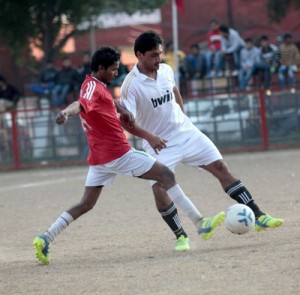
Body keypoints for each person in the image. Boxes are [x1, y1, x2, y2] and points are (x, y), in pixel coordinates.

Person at [33, 46, 205, 265]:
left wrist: (121, 109)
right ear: (101, 68)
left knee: (86, 204)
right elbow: (81, 104)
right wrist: (66, 113)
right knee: (165, 175)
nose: (116, 73)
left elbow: (102, 99)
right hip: (118, 154)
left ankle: (46, 237)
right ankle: (199, 223)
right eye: (113, 69)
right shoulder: (91, 89)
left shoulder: (96, 84)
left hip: (99, 159)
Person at [120, 31, 284, 239]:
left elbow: (174, 90)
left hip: (186, 133)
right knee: (160, 188)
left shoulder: (166, 70)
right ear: (139, 55)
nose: (158, 59)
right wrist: (150, 137)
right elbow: (126, 122)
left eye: (160, 54)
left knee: (220, 167)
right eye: (153, 55)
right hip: (158, 144)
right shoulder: (130, 85)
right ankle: (181, 236)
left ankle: (259, 216)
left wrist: (183, 116)